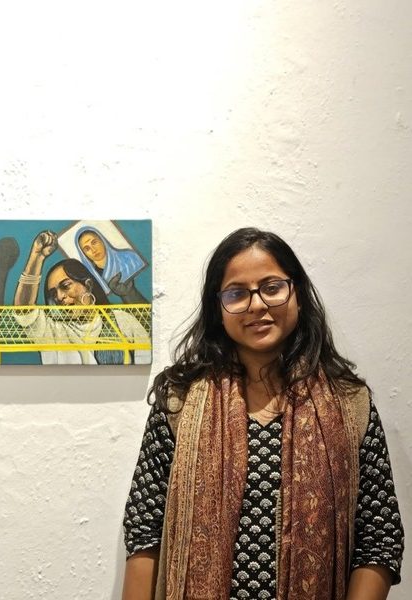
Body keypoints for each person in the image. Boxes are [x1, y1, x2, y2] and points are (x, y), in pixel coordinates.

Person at [121, 228, 404, 600]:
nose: (256, 305)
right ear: (218, 308)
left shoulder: (350, 404)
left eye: (271, 287)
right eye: (236, 293)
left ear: (297, 293)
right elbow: (144, 531)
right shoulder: (179, 402)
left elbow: (379, 539)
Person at [14, 231, 151, 365]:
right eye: (54, 294)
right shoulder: (53, 331)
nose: (60, 297)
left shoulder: (122, 320)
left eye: (66, 286)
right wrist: (37, 256)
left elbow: (145, 358)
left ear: (88, 285)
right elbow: (24, 311)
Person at [75, 227, 148, 304]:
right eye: (87, 249)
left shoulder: (130, 258)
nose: (93, 250)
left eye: (94, 242)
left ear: (102, 240)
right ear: (83, 254)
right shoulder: (91, 280)